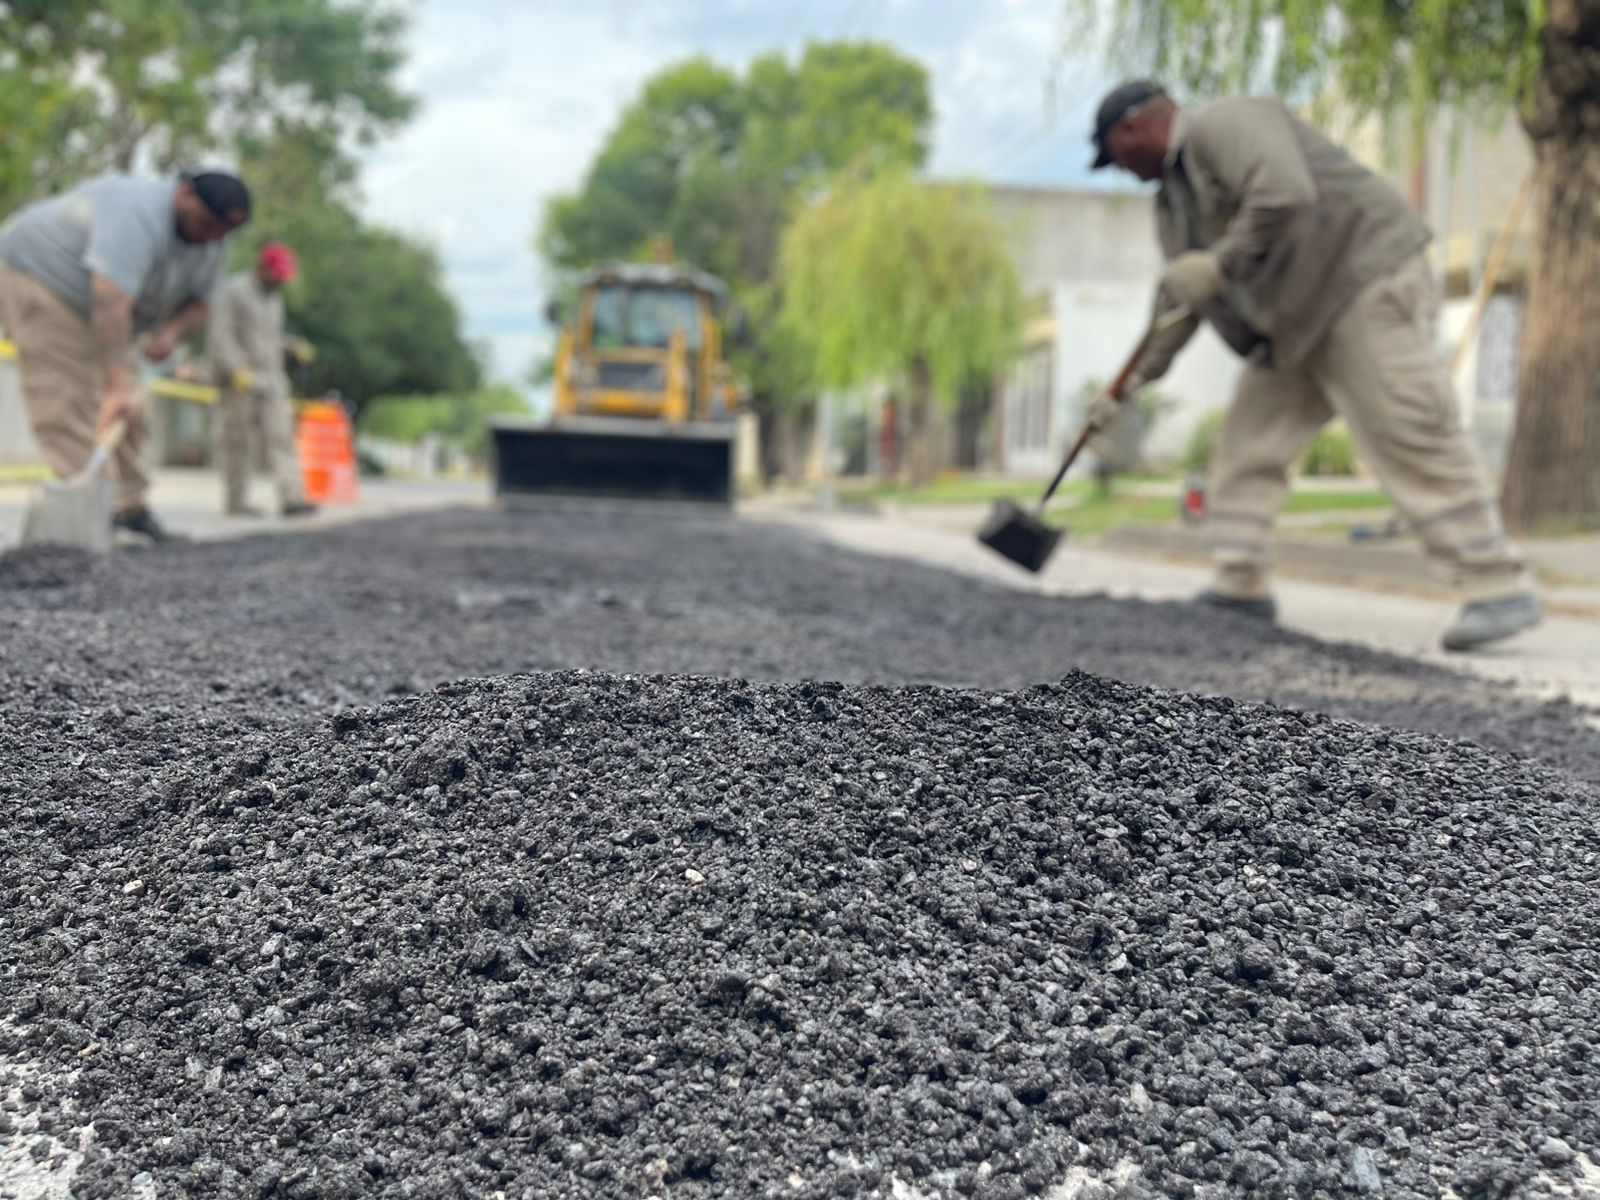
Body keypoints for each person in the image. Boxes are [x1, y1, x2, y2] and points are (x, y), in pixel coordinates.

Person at [1087, 82, 1541, 652]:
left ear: (1133, 128)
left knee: (1410, 431)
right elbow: (1182, 298)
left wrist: (1221, 265)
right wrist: (1126, 388)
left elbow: (1283, 193)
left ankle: (1498, 586)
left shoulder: (1223, 125)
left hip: (1360, 283)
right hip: (1292, 324)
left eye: (1114, 155)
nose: (1120, 170)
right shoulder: (1171, 204)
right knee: (1246, 448)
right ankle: (1240, 583)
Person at [0, 170, 250, 542]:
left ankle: (128, 507)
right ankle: (80, 526)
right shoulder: (135, 210)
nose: (211, 237)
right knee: (72, 400)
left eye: (222, 233)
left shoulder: (213, 241)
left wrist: (170, 333)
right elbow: (110, 298)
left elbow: (201, 304)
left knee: (131, 411)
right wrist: (117, 385)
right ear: (185, 193)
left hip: (109, 314)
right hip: (42, 280)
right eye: (207, 223)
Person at [208, 242, 317, 518]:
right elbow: (221, 338)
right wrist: (237, 371)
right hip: (239, 382)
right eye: (276, 274)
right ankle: (237, 501)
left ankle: (291, 497)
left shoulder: (274, 298)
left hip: (272, 380)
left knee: (282, 438)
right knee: (238, 441)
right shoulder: (234, 292)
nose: (280, 280)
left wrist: (289, 346)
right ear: (262, 267)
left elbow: (268, 338)